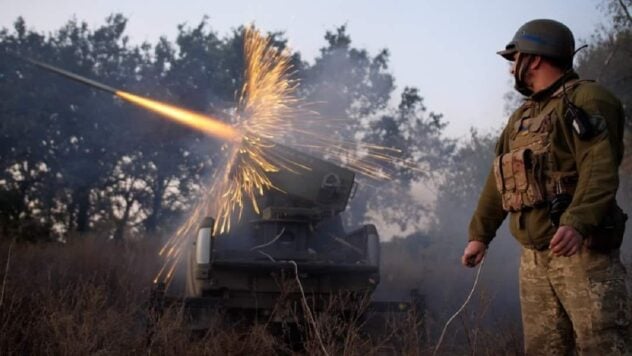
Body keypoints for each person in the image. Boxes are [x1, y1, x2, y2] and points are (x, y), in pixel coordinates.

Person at [462, 19, 630, 355]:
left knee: (601, 346)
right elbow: (499, 180)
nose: (512, 68)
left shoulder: (588, 99)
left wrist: (577, 223)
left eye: (516, 58)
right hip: (536, 259)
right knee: (543, 349)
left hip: (583, 254)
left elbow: (599, 170)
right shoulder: (521, 117)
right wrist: (480, 235)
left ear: (535, 59)